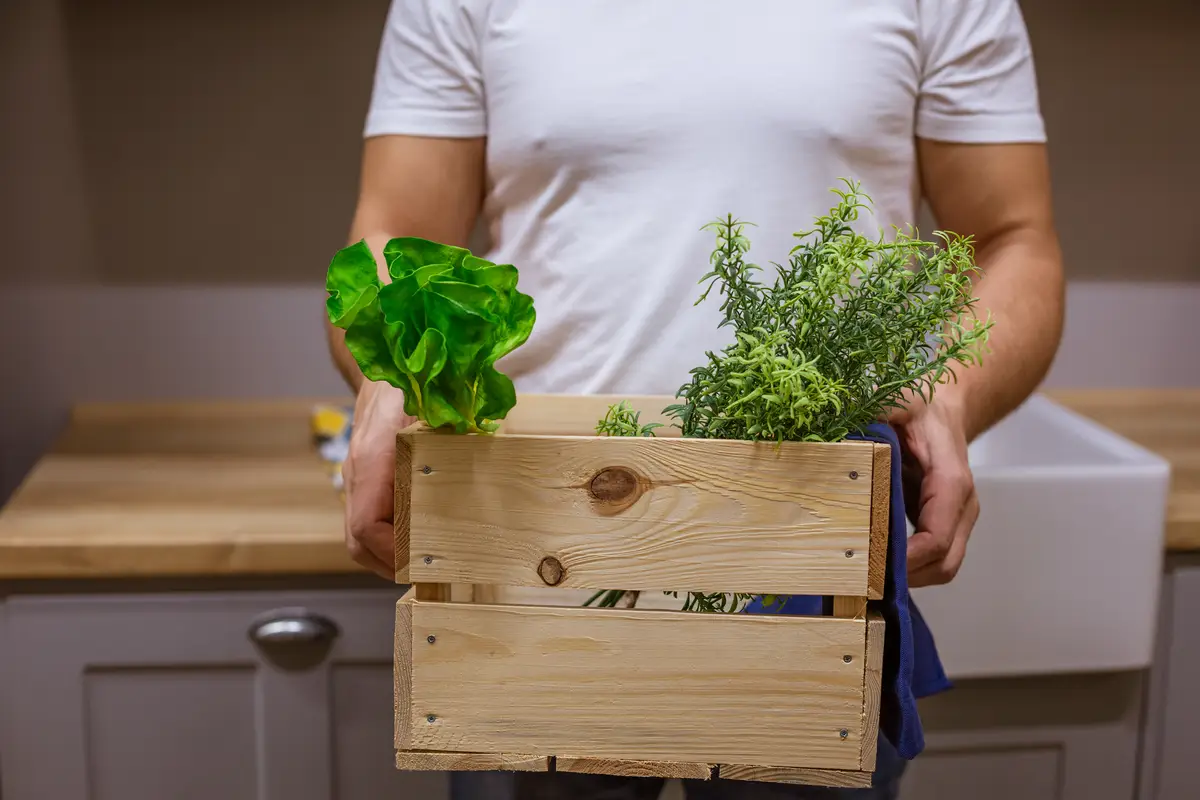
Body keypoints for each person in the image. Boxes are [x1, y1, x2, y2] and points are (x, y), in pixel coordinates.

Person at [325, 1, 1066, 797]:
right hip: (533, 557)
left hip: (809, 558)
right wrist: (388, 379)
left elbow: (1013, 236)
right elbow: (398, 234)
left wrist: (944, 398)